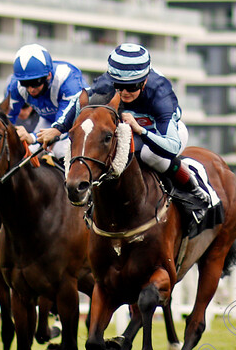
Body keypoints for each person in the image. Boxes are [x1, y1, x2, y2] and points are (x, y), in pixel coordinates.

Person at [54, 43, 210, 221]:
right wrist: (57, 129)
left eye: (132, 86)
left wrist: (141, 130)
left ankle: (194, 190)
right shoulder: (106, 83)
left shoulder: (160, 92)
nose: (125, 92)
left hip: (161, 133)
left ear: (144, 81)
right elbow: (78, 102)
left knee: (150, 156)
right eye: (119, 86)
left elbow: (172, 147)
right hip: (129, 130)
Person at [4, 43, 86, 161]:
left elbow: (64, 124)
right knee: (30, 153)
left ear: (48, 75)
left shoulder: (68, 81)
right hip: (49, 119)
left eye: (36, 82)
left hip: (77, 121)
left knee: (61, 150)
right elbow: (7, 119)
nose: (31, 89)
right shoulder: (15, 85)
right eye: (25, 83)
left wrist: (32, 137)